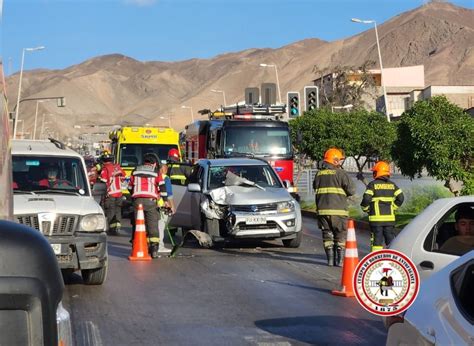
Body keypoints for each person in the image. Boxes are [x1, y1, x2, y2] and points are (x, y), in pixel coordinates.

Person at [313, 148, 356, 266]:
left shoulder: (318, 174)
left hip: (322, 212)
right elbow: (352, 190)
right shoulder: (341, 173)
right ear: (335, 161)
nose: (341, 163)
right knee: (340, 235)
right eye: (340, 160)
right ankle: (340, 261)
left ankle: (330, 261)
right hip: (339, 211)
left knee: (327, 236)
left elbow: (315, 188)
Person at [128, 152, 167, 258]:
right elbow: (162, 187)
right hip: (151, 201)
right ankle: (154, 249)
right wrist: (165, 200)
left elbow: (130, 186)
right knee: (152, 224)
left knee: (138, 224)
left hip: (137, 201)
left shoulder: (135, 170)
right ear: (154, 163)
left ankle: (136, 245)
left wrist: (134, 197)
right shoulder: (156, 171)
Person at [361, 161, 404, 252]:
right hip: (389, 220)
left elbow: (366, 199)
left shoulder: (372, 184)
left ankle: (376, 259)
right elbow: (401, 197)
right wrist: (393, 207)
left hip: (376, 220)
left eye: (374, 172)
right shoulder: (392, 185)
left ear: (377, 172)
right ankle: (393, 257)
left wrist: (365, 208)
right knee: (391, 240)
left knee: (377, 241)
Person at [99, 152, 125, 235]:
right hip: (119, 193)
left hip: (110, 194)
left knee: (111, 211)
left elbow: (103, 182)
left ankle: (112, 228)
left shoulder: (105, 169)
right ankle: (117, 226)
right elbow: (123, 178)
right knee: (118, 210)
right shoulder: (118, 167)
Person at [157, 160, 175, 253]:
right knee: (161, 226)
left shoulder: (154, 176)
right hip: (163, 205)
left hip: (153, 204)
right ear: (163, 168)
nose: (167, 169)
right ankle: (160, 246)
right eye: (166, 167)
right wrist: (172, 206)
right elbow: (169, 194)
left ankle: (152, 245)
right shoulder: (165, 178)